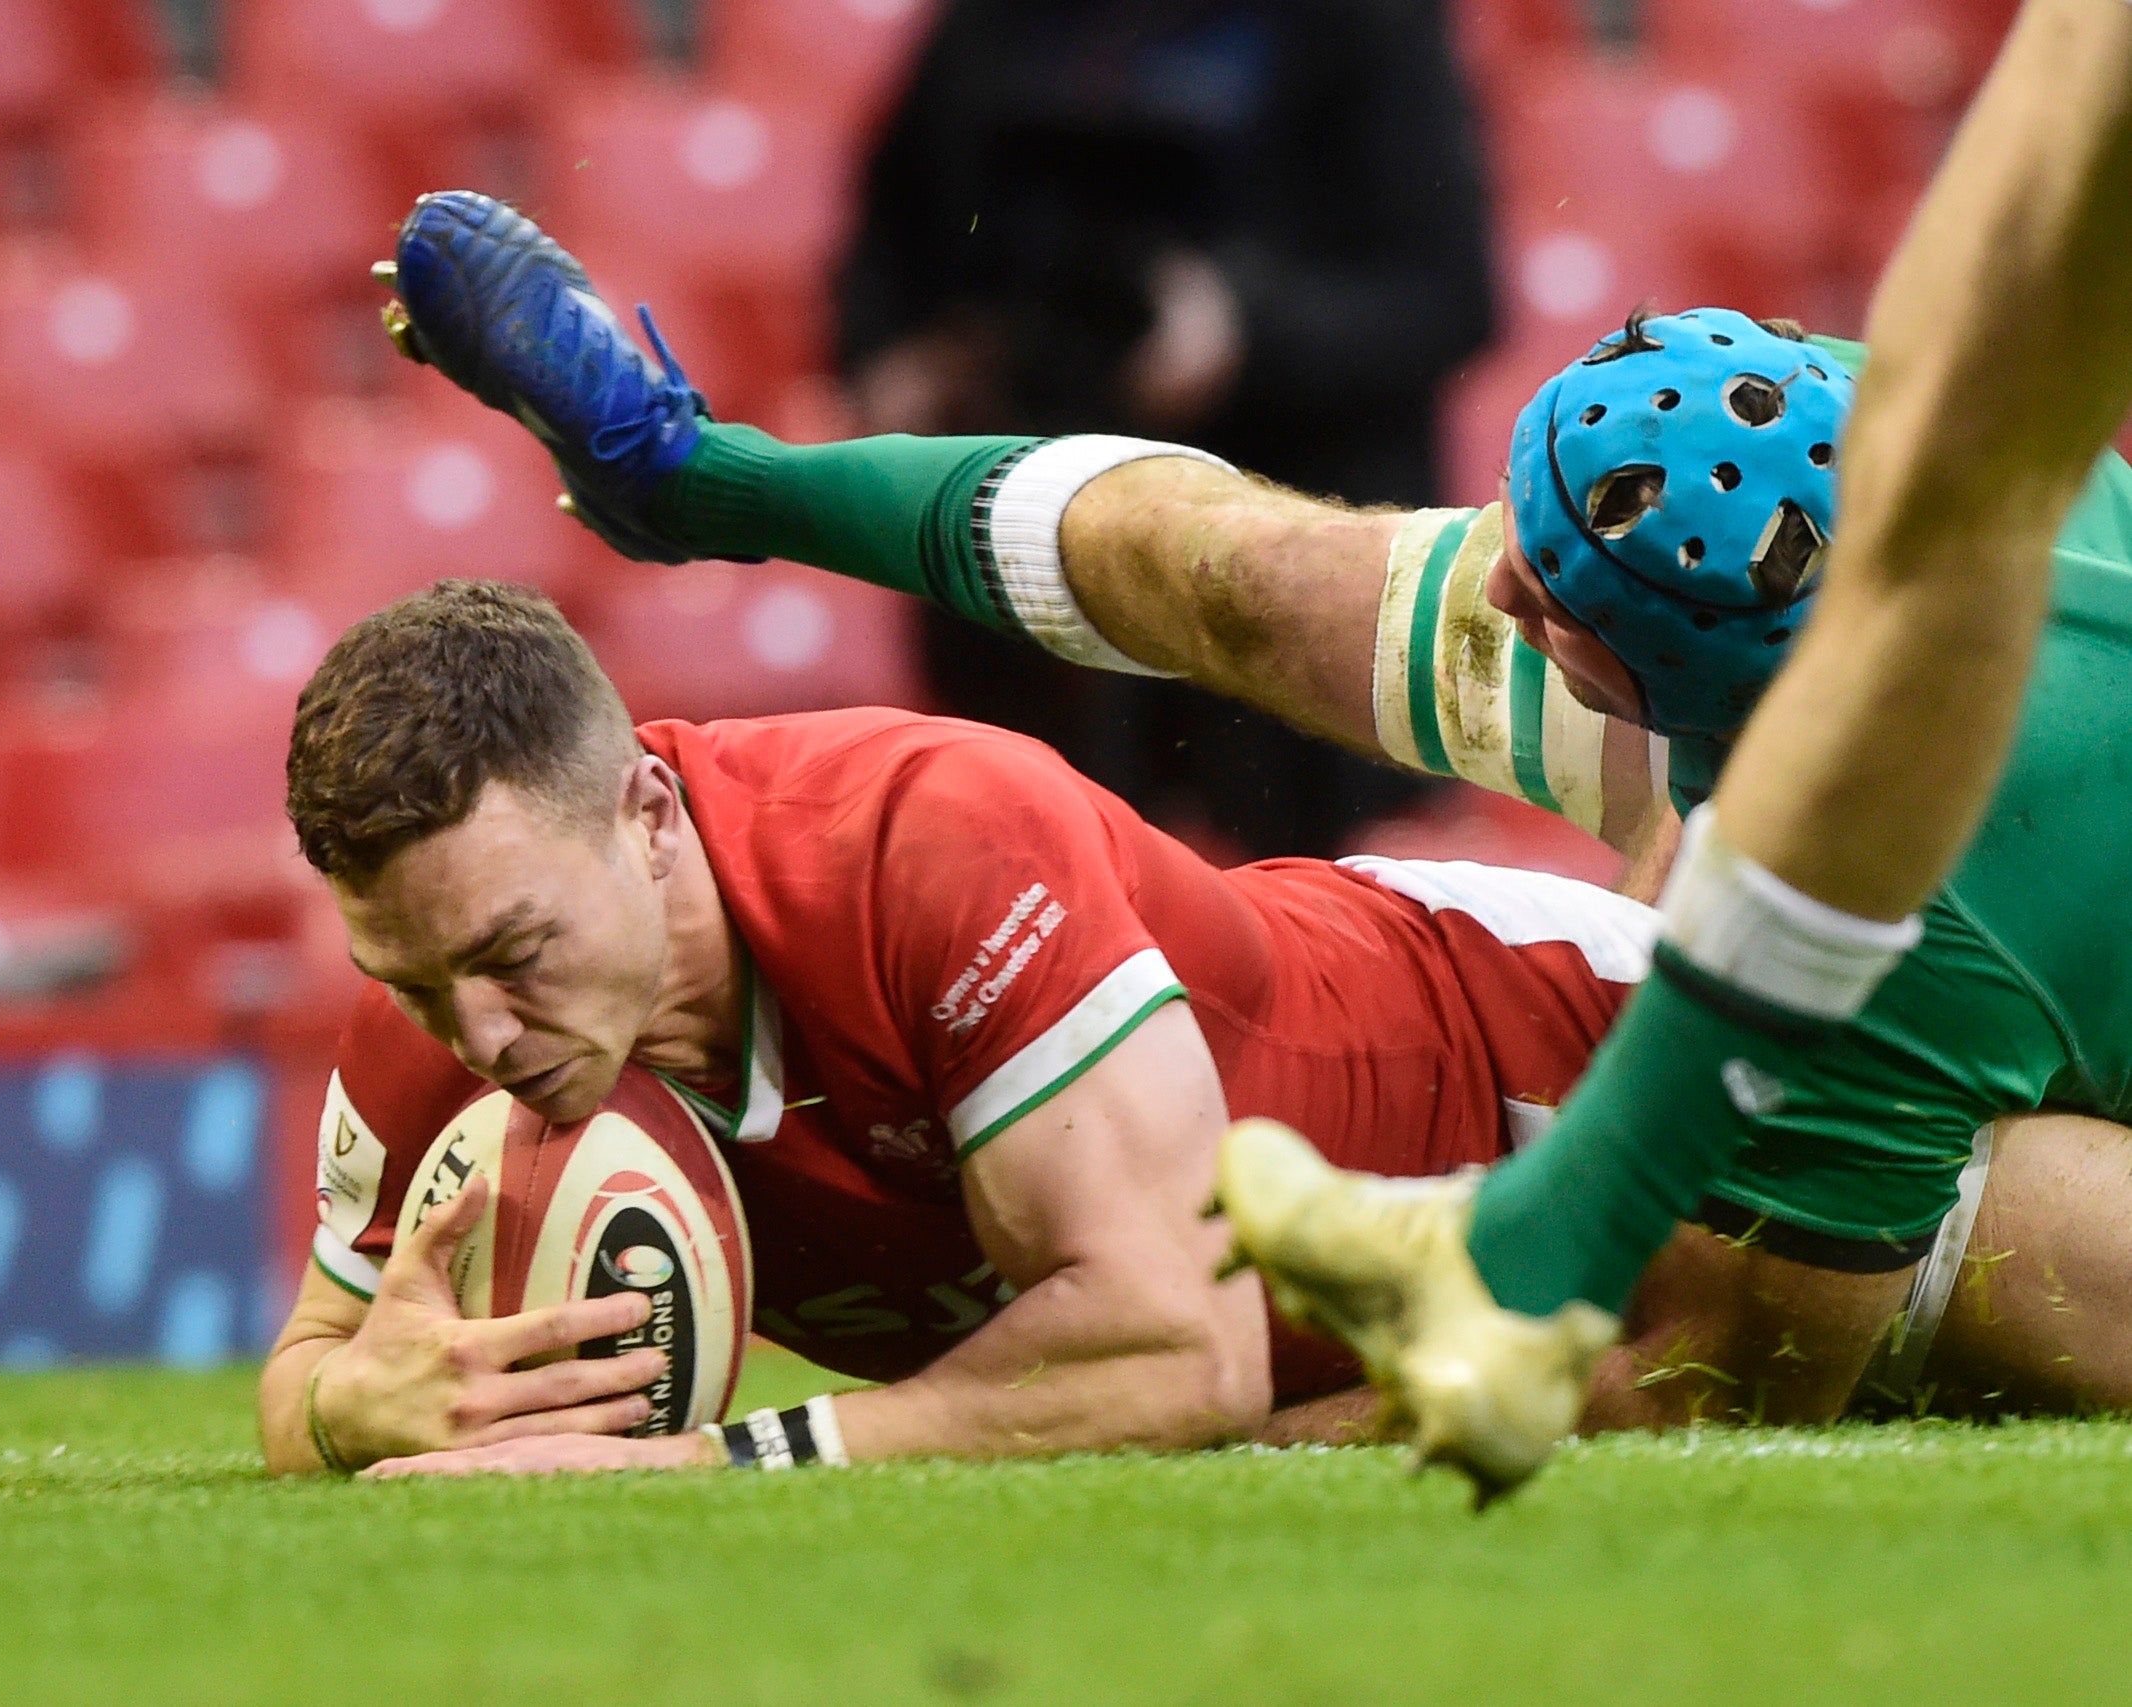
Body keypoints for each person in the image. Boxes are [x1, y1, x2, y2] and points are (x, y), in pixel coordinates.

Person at [355, 57, 2132, 1484]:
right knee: (1251, 581)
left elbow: (1695, 1377)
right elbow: (1217, 560)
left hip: (1991, 916)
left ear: (1719, 725)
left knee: (1982, 1265)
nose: (1497, 577)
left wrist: (1212, 1455)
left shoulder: (1889, 942)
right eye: (1532, 529)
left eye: (1550, 593)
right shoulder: (1797, 430)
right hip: (1969, 763)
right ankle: (701, 477)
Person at [257, 579, 1653, 1477]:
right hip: (1370, 1341)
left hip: (1586, 1062)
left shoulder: (926, 841)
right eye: (417, 978)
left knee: (1811, 1372)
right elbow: (312, 1358)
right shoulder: (440, 1001)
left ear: (649, 814)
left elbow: (1177, 1347)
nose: (479, 1031)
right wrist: (352, 1408)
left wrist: (710, 1468)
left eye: (515, 953)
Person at [833, 0, 1494, 860]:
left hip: (1284, 603)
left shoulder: (1362, 25)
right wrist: (897, 360)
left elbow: (1447, 297)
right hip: (1034, 558)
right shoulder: (992, 24)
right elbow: (896, 232)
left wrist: (1242, 328)